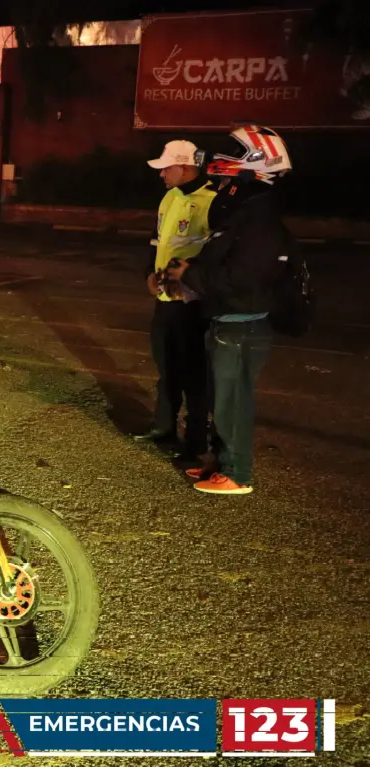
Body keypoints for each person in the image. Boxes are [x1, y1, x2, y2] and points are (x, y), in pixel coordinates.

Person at [166, 126, 293, 495]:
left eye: (238, 152)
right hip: (228, 321)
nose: (226, 159)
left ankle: (238, 474)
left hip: (241, 325)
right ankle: (221, 464)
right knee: (223, 401)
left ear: (258, 161)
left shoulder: (259, 217)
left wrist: (191, 273)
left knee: (232, 403)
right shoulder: (248, 211)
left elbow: (238, 276)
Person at [133, 140, 216, 463]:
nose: (162, 174)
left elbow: (215, 255)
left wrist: (194, 281)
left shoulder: (212, 202)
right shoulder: (170, 197)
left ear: (185, 167)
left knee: (194, 373)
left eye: (166, 168)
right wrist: (148, 275)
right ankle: (163, 426)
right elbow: (157, 242)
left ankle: (195, 441)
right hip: (165, 299)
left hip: (192, 304)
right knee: (166, 367)